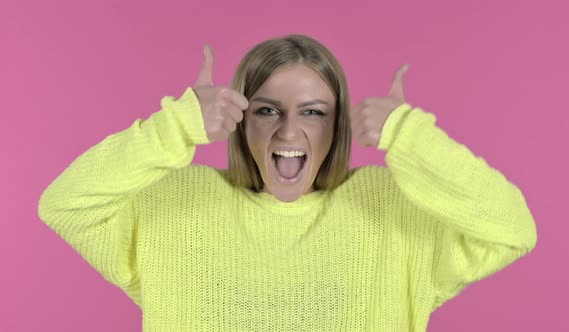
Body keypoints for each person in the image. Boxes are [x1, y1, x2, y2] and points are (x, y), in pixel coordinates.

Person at [38, 34, 538, 331]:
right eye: (268, 110)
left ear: (337, 125)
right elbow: (64, 205)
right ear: (239, 119)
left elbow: (512, 229)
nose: (289, 131)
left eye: (314, 112)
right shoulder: (174, 201)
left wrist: (411, 138)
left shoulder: (391, 208)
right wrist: (175, 126)